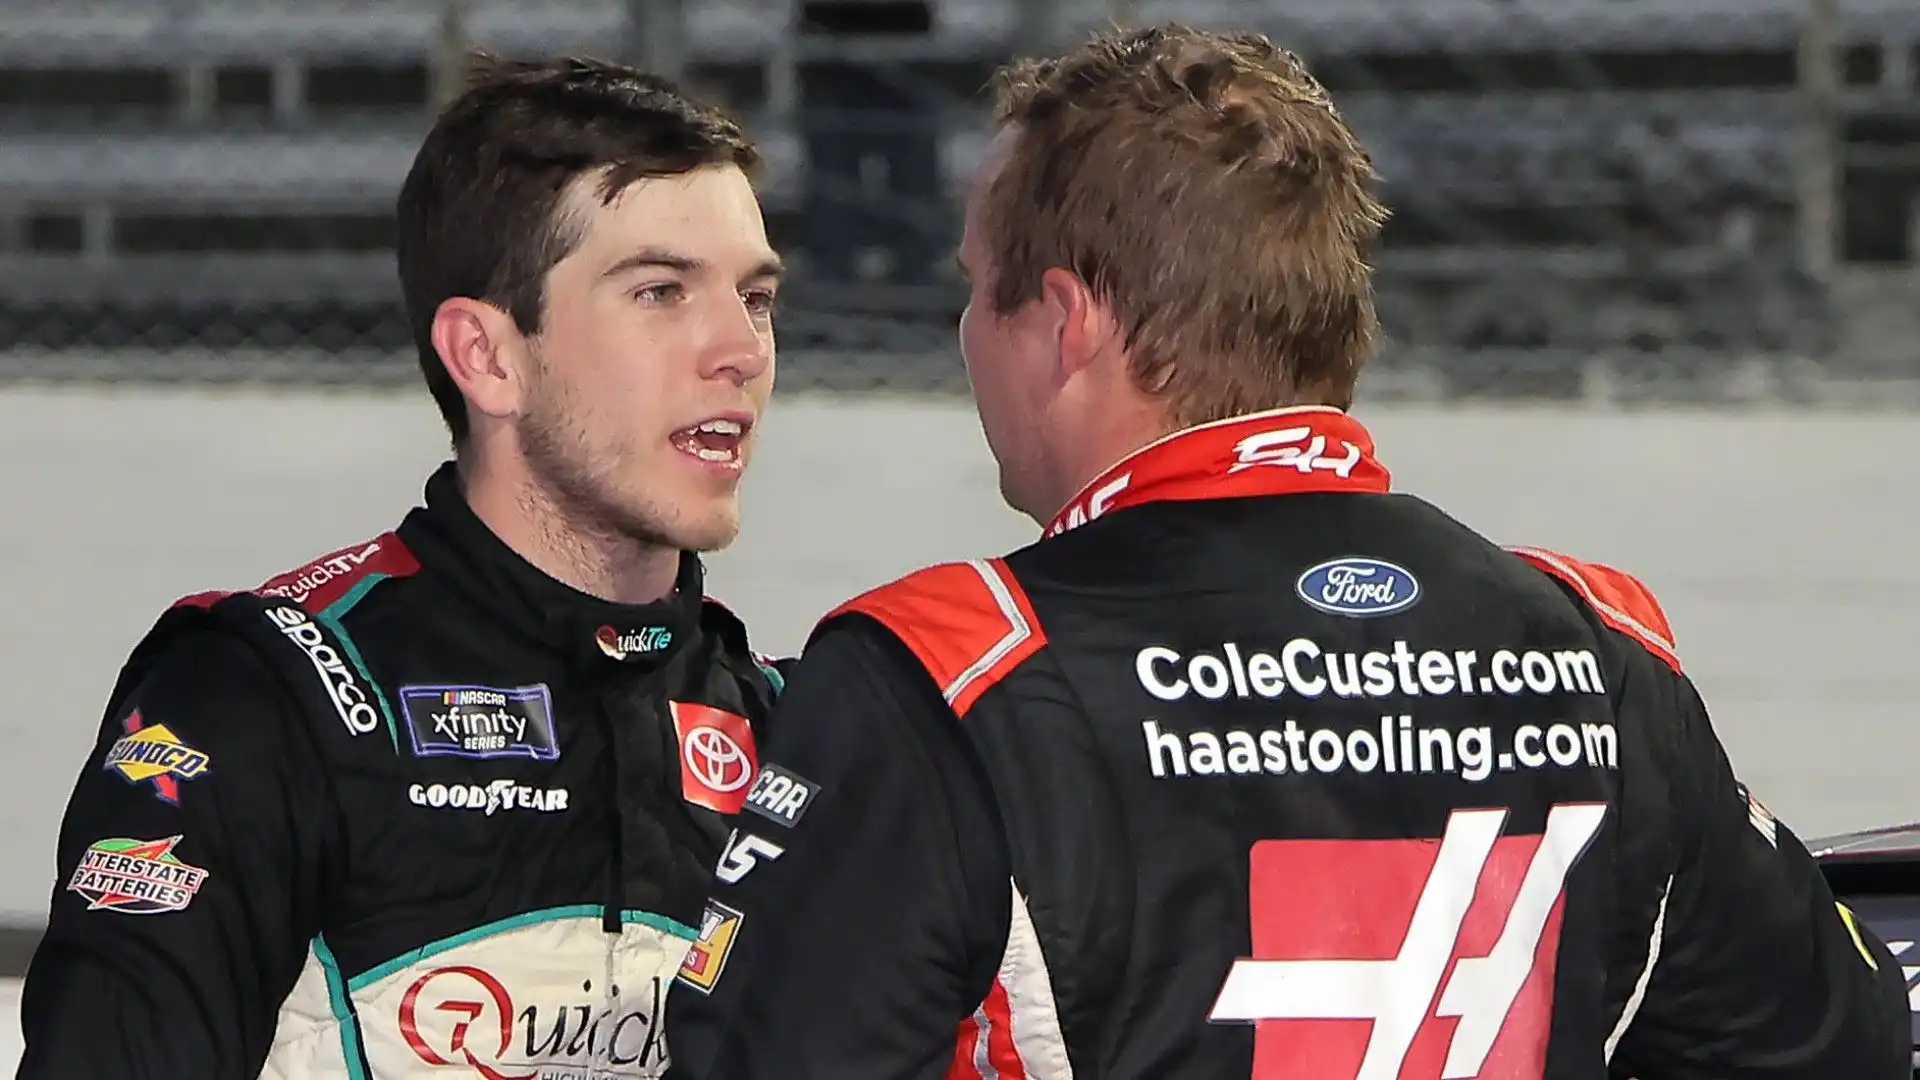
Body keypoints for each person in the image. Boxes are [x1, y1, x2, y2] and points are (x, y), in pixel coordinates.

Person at [660, 24, 1913, 1080]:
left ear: (1066, 322)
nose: (962, 335)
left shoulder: (945, 680)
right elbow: (1847, 1043)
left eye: (979, 288)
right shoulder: (1596, 653)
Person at [19, 55, 788, 1080]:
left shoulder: (789, 730)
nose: (738, 348)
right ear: (487, 356)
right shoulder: (264, 693)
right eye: (660, 291)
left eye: (757, 297)